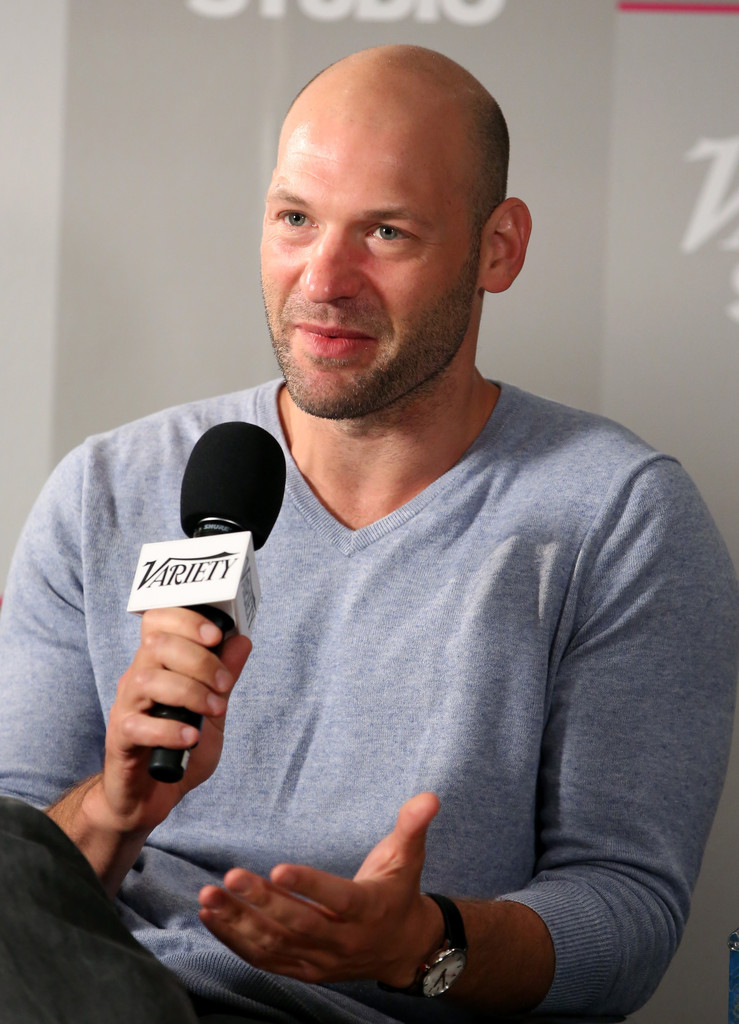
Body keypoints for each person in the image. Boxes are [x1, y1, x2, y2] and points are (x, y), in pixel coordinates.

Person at [0, 43, 736, 1024]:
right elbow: (16, 884)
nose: (324, 278)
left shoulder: (619, 517)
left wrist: (420, 944)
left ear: (497, 246)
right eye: (295, 219)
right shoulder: (105, 486)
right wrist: (116, 807)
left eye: (385, 232)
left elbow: (625, 916)